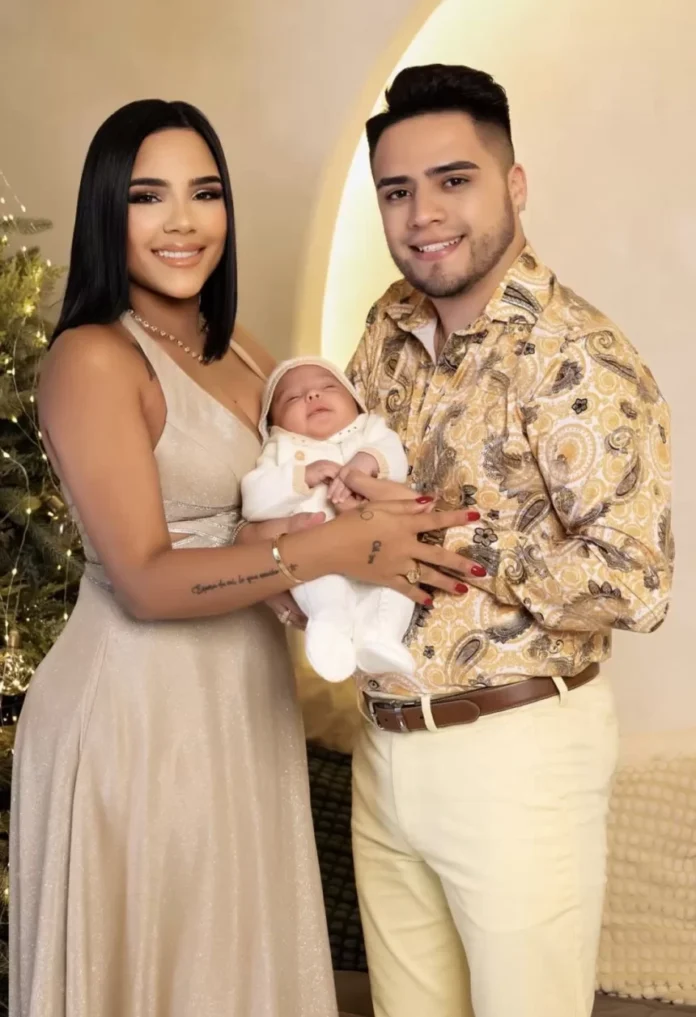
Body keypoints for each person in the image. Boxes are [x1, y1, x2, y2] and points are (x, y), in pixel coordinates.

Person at [8, 98, 479, 1017]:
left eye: (205, 192)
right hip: (139, 717)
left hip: (242, 703)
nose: (183, 221)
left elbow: (275, 513)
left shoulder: (247, 353)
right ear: (107, 210)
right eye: (149, 196)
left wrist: (363, 517)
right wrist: (336, 546)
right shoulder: (93, 358)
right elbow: (146, 578)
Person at [344, 64, 674, 1017]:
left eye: (454, 180)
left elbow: (639, 580)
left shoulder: (580, 356)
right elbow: (352, 495)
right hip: (383, 740)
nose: (422, 214)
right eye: (397, 191)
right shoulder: (388, 324)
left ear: (514, 184)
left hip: (517, 751)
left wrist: (453, 537)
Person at [242, 357, 467, 681]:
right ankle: (328, 629)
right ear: (274, 424)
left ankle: (381, 637)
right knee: (322, 590)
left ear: (354, 402)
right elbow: (254, 501)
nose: (312, 396)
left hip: (384, 549)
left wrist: (366, 461)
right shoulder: (280, 448)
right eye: (292, 398)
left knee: (397, 587)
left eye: (328, 387)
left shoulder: (369, 430)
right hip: (317, 553)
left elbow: (393, 455)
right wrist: (302, 476)